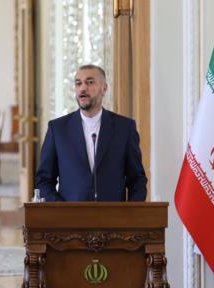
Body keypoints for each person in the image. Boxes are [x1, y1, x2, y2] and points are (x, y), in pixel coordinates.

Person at [35, 64, 147, 202]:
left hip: (114, 219)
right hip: (70, 219)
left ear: (104, 88)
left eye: (90, 82)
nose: (83, 88)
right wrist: (61, 210)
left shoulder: (124, 128)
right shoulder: (57, 129)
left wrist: (130, 216)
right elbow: (44, 180)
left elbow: (137, 179)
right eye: (78, 83)